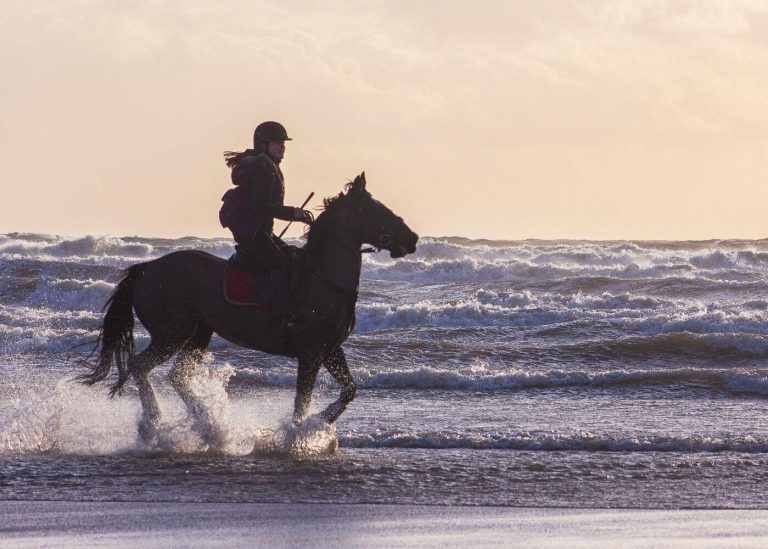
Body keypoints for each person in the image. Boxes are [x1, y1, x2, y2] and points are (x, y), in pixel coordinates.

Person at [220, 121, 313, 336]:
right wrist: (293, 213)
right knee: (280, 265)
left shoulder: (269, 166)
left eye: (283, 143)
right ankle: (281, 321)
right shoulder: (263, 168)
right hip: (252, 235)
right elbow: (260, 207)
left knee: (293, 257)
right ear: (264, 144)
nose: (282, 147)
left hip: (260, 232)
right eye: (277, 142)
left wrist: (294, 215)